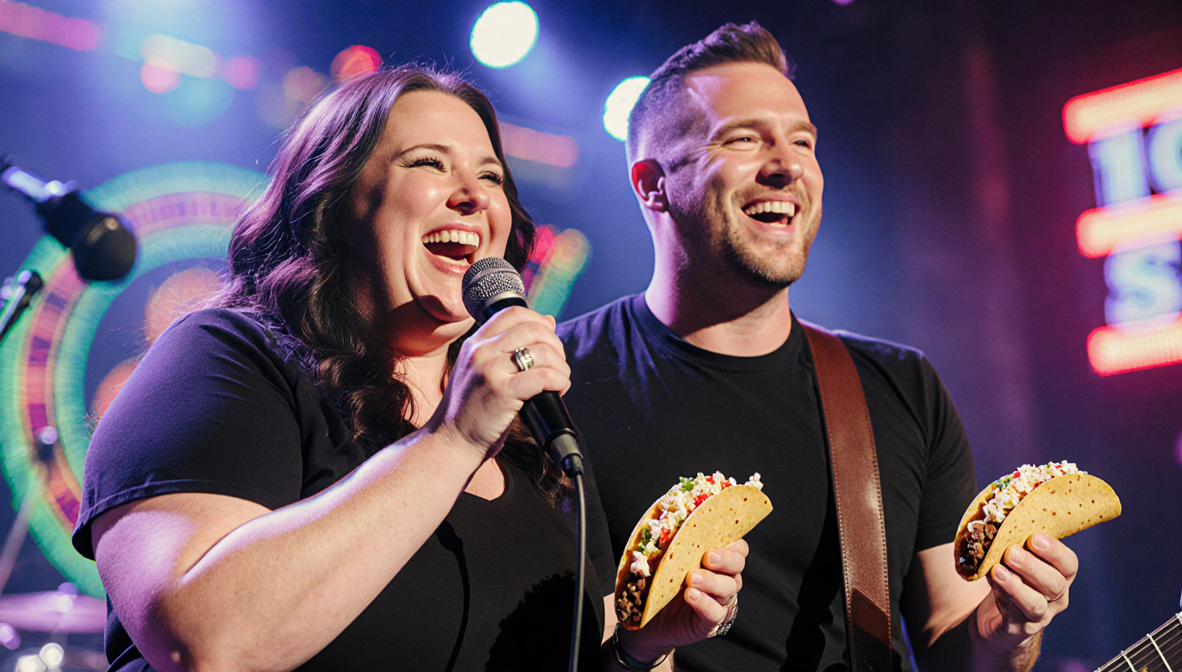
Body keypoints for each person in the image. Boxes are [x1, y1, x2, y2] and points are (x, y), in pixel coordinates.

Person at [70, 65, 746, 671]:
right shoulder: (224, 357)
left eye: (491, 177)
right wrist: (452, 441)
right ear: (332, 202)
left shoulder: (538, 436)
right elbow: (208, 644)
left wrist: (639, 646)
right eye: (429, 164)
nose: (475, 196)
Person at [558, 23, 1078, 672]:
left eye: (803, 141)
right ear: (651, 184)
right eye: (745, 138)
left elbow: (954, 643)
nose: (787, 165)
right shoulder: (558, 386)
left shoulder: (899, 387)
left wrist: (1007, 630)